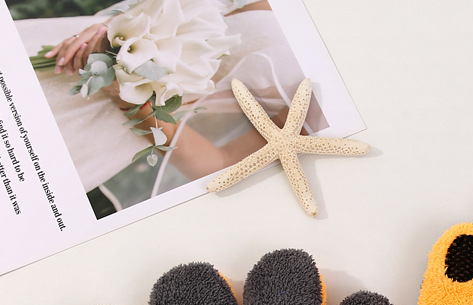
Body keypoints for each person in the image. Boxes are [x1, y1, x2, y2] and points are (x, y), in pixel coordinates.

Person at [16, 0, 322, 207]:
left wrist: (130, 100)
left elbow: (222, 163)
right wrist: (111, 26)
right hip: (81, 44)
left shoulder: (335, 95)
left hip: (110, 119)